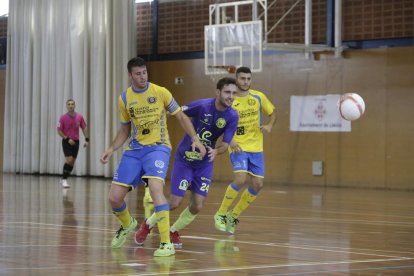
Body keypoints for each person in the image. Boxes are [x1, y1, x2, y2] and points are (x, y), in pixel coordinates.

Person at [100, 57, 205, 257]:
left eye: (145, 72)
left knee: (156, 190)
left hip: (158, 148)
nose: (143, 77)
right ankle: (127, 224)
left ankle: (166, 244)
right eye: (138, 74)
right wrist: (111, 148)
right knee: (114, 198)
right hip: (134, 150)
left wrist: (195, 139)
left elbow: (181, 116)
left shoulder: (161, 92)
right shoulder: (124, 98)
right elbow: (125, 130)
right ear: (130, 75)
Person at [134, 77, 239, 248]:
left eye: (234, 93)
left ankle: (173, 230)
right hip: (185, 160)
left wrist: (216, 151)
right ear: (218, 92)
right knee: (175, 203)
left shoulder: (232, 116)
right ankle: (148, 224)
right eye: (227, 92)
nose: (231, 96)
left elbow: (226, 145)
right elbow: (176, 112)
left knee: (197, 205)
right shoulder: (202, 106)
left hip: (204, 164)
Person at [213, 66, 277, 234]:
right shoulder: (230, 99)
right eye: (242, 79)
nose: (246, 82)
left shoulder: (258, 96)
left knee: (258, 184)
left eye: (248, 79)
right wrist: (229, 139)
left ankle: (232, 216)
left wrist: (270, 125)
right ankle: (220, 213)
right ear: (236, 79)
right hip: (238, 146)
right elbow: (219, 121)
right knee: (240, 179)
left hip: (257, 148)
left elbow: (273, 113)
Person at [57, 99, 89, 188]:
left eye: (72, 104)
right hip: (66, 141)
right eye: (69, 104)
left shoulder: (79, 116)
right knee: (69, 159)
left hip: (76, 142)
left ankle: (64, 178)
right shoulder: (62, 118)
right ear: (67, 106)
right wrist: (67, 139)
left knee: (72, 162)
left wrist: (87, 139)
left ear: (75, 106)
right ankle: (64, 180)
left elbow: (84, 127)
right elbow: (59, 131)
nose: (70, 106)